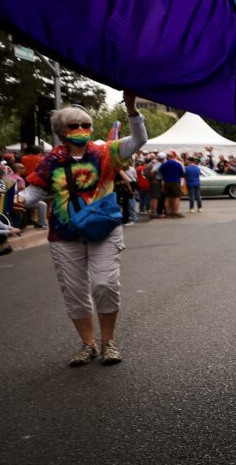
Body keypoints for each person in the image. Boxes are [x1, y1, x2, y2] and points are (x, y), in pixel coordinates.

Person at [18, 91, 147, 366]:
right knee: (74, 291)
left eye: (85, 125)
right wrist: (21, 200)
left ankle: (108, 342)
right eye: (74, 126)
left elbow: (139, 140)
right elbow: (35, 190)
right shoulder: (51, 160)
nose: (81, 130)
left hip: (103, 229)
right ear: (61, 132)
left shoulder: (106, 152)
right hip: (64, 233)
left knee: (105, 283)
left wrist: (133, 109)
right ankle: (88, 345)